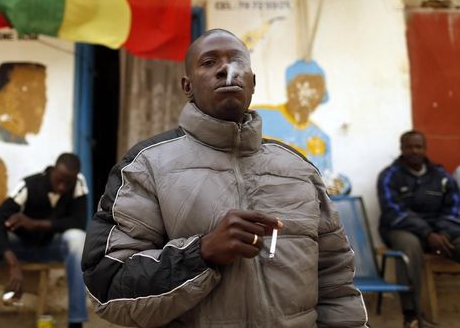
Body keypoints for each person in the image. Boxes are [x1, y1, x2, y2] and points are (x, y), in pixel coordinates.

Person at [82, 29, 367, 327]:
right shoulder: (146, 166)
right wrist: (201, 253)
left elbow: (336, 282)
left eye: (236, 61)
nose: (225, 69)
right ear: (186, 85)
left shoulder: (297, 168)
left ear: (253, 82)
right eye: (208, 62)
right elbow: (107, 286)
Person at [0, 153, 89, 328]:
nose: (63, 187)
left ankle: (76, 322)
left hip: (51, 247)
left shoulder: (78, 183)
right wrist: (12, 263)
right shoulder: (29, 185)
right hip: (19, 247)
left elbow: (78, 222)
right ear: (52, 171)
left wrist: (35, 224)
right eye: (59, 180)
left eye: (68, 183)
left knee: (78, 238)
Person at [377, 130, 460, 327]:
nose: (414, 150)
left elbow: (453, 210)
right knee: (410, 247)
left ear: (425, 149)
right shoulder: (389, 176)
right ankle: (411, 314)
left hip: (439, 231)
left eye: (418, 146)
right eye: (409, 146)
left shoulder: (442, 176)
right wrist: (427, 233)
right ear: (402, 149)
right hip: (402, 229)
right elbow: (393, 211)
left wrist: (443, 233)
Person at [254, 59, 332, 175]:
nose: (310, 93)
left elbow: (326, 179)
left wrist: (341, 184)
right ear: (290, 89)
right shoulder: (259, 116)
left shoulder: (321, 137)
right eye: (302, 84)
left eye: (317, 87)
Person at [0, 62, 47, 144]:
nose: (41, 102)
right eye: (28, 91)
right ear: (2, 97)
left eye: (41, 93)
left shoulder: (18, 139)